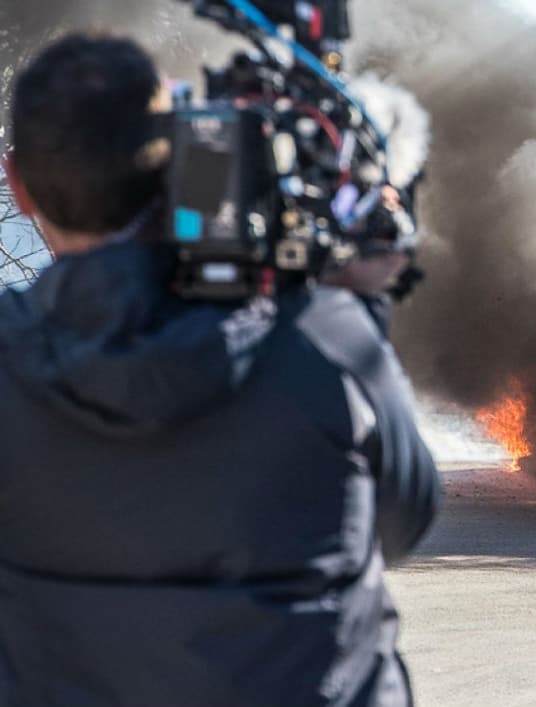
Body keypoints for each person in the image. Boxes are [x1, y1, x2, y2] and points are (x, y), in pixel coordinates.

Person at [0, 33, 439, 707]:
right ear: (169, 161)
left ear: (17, 185)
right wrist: (357, 308)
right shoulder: (324, 333)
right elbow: (402, 522)